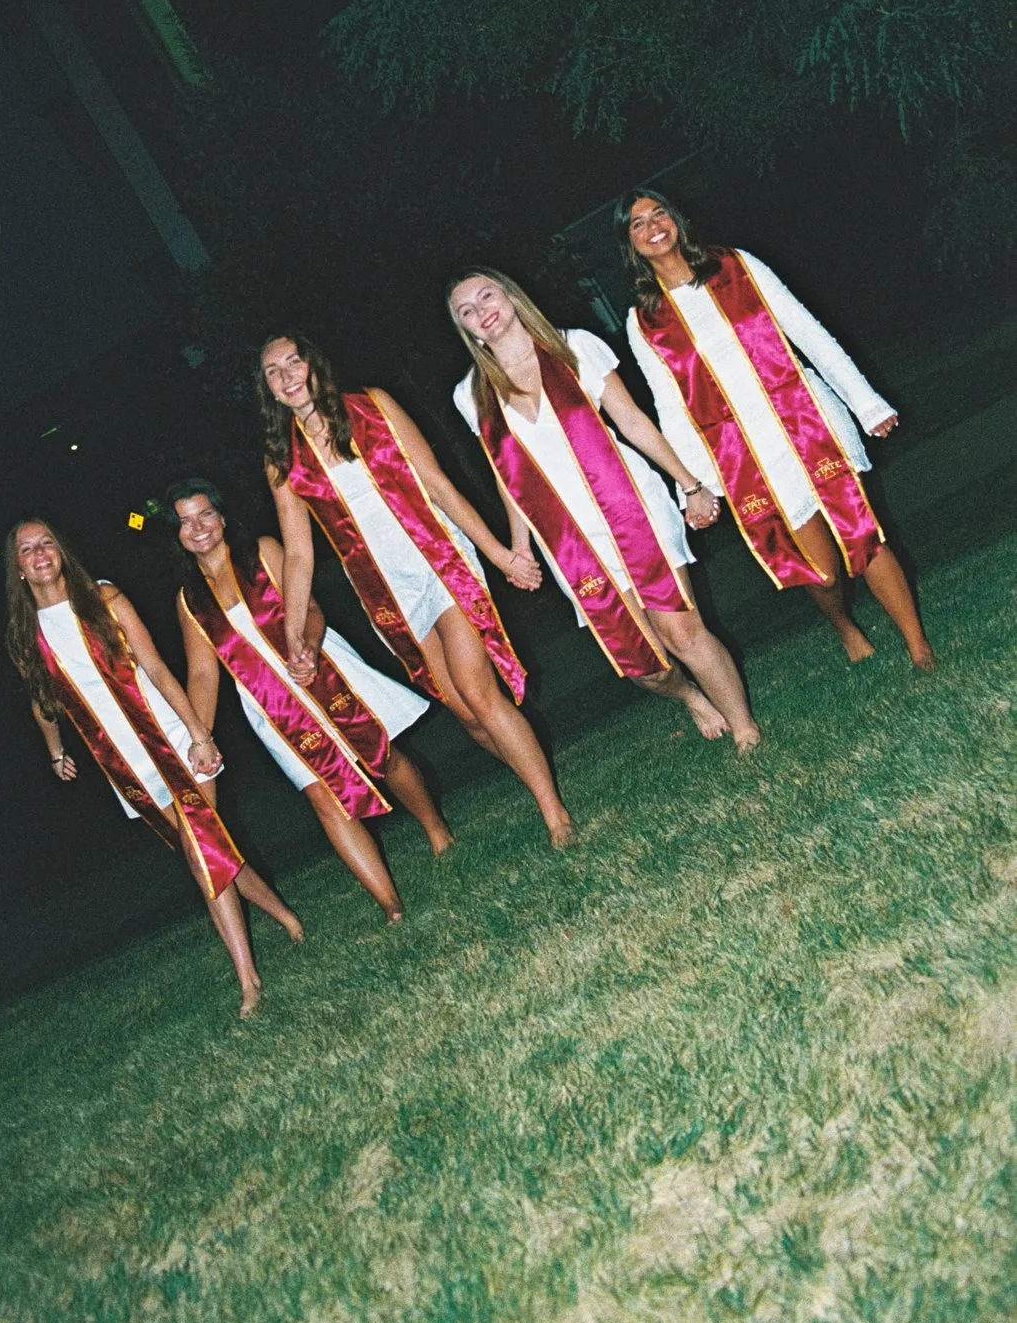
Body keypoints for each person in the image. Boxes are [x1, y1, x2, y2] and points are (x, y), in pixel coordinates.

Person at [259, 334, 574, 846]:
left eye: (294, 362)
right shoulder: (283, 461)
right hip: (386, 593)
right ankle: (532, 772)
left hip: (439, 559)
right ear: (269, 390)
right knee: (467, 716)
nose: (287, 375)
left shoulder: (373, 405)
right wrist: (294, 636)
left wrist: (498, 553)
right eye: (274, 371)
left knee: (478, 690)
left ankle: (554, 812)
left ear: (315, 367)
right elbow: (298, 555)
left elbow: (437, 483)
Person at [618, 189, 934, 668]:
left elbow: (807, 331)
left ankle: (919, 647)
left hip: (809, 418)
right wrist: (694, 487)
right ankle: (844, 626)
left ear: (676, 218)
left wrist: (866, 403)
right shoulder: (644, 320)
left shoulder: (735, 265)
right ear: (630, 243)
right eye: (637, 223)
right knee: (822, 573)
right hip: (747, 453)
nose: (653, 226)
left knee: (864, 536)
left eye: (658, 212)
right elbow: (671, 406)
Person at [447, 269, 761, 752]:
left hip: (634, 509)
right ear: (466, 329)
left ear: (510, 296)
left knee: (681, 631)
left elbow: (633, 421)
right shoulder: (471, 394)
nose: (481, 311)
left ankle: (744, 726)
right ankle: (689, 694)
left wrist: (690, 484)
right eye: (466, 311)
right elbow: (506, 475)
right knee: (644, 665)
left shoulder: (574, 347)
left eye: (486, 296)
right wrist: (518, 547)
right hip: (569, 541)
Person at [5, 519, 303, 1018]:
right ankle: (287, 918)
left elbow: (160, 669)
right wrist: (55, 751)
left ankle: (248, 979)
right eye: (27, 549)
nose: (40, 554)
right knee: (210, 851)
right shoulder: (25, 636)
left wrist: (200, 735)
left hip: (173, 739)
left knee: (199, 850)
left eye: (47, 543)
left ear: (62, 550)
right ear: (17, 569)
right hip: (123, 762)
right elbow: (42, 699)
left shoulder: (104, 599)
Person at [169, 477, 454, 923]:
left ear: (222, 517)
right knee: (322, 795)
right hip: (269, 707)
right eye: (185, 521)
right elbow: (204, 673)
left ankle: (438, 833)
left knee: (382, 755)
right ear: (178, 534)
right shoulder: (190, 601)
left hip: (322, 665)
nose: (198, 526)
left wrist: (309, 646)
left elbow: (313, 609)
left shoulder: (261, 550)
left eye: (205, 513)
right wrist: (200, 736)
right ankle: (390, 904)